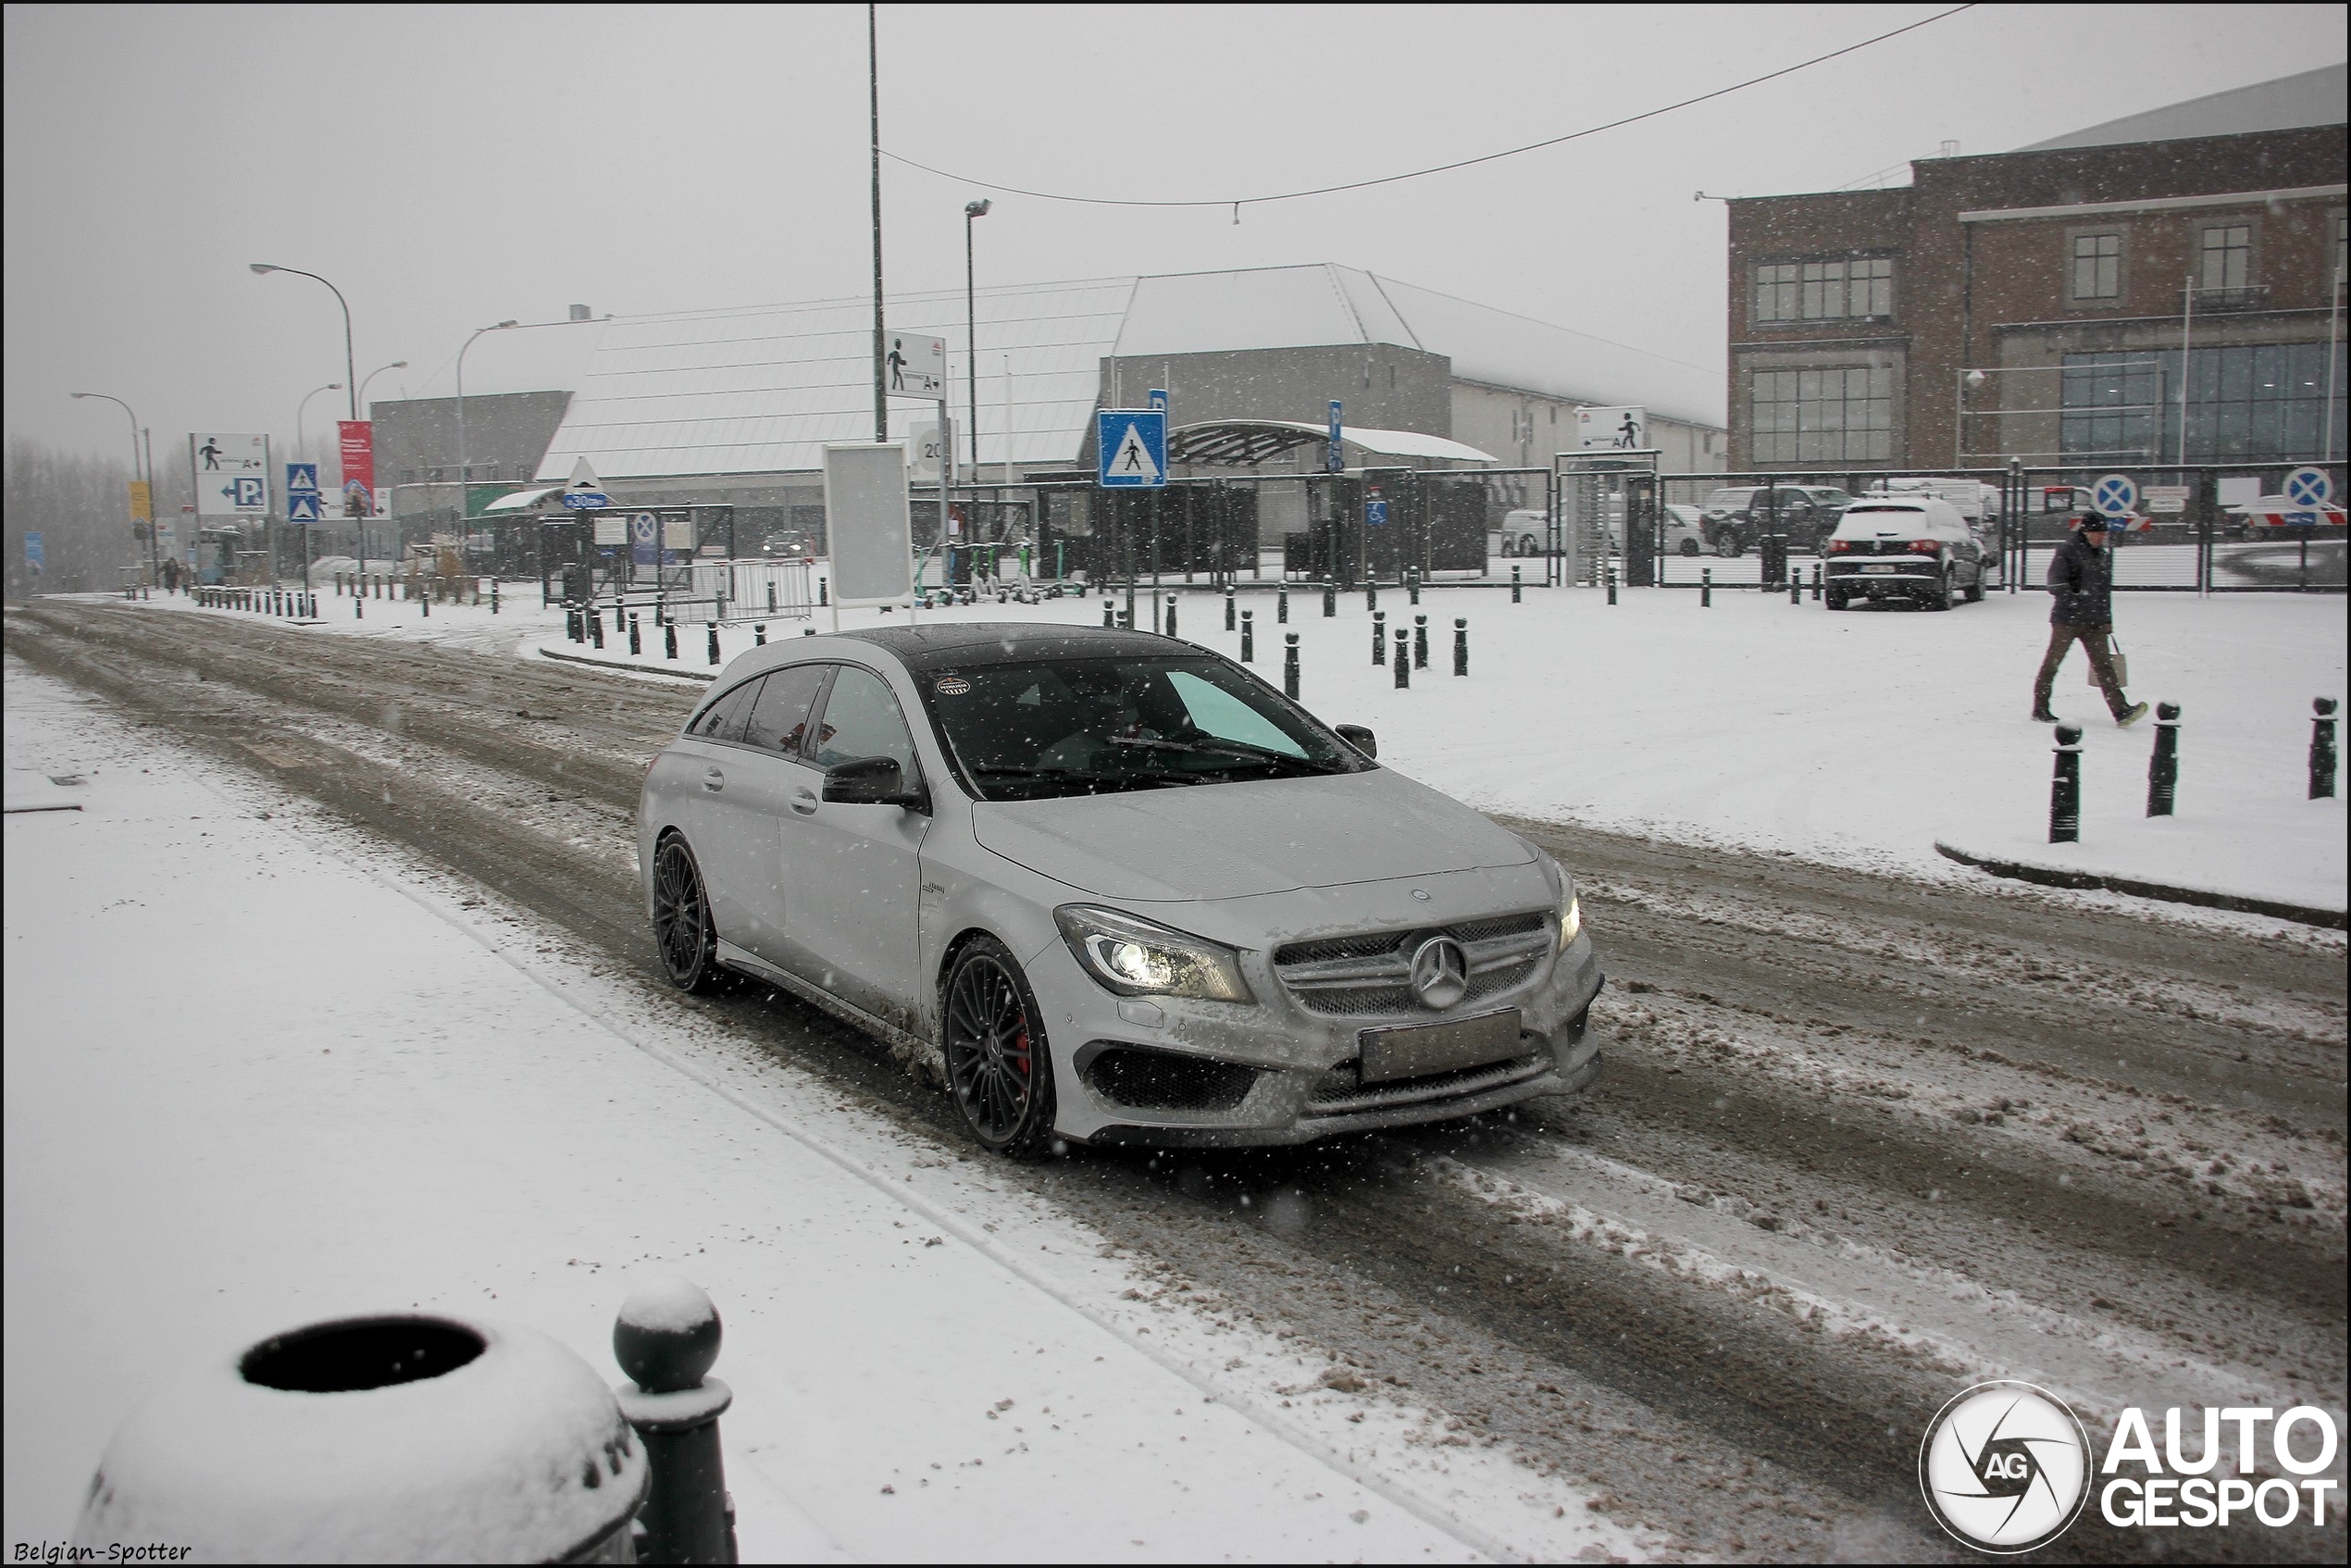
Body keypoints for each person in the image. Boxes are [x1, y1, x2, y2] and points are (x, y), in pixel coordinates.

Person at [2033, 512, 2147, 728]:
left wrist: (2107, 619)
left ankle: (2121, 711)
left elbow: (2104, 591)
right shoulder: (2067, 551)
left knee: (2104, 666)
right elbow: (2055, 583)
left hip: (2094, 622)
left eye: (2103, 532)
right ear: (2085, 531)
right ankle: (2040, 709)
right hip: (2067, 620)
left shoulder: (2102, 555)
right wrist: (2075, 601)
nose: (2101, 536)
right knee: (2052, 663)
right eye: (2097, 532)